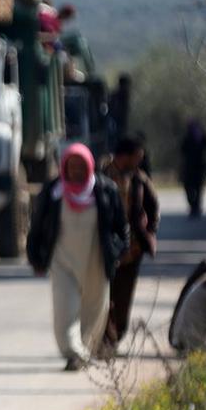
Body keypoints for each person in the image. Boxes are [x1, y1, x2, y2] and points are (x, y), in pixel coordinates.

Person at [27, 143, 129, 370]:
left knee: (93, 311)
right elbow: (37, 228)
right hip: (62, 262)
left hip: (96, 261)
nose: (76, 171)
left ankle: (83, 351)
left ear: (89, 166)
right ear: (64, 167)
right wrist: (35, 257)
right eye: (71, 166)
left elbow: (121, 229)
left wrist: (118, 251)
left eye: (80, 166)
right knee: (65, 310)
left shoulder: (106, 191)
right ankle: (73, 352)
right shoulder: (53, 193)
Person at [103, 136, 159, 347]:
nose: (139, 162)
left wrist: (150, 233)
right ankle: (103, 338)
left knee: (123, 299)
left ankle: (116, 337)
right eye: (137, 158)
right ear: (123, 156)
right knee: (103, 298)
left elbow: (154, 207)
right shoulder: (102, 176)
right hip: (106, 250)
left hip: (132, 251)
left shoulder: (140, 179)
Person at [179, 118, 206, 218]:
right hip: (195, 167)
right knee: (194, 188)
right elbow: (182, 153)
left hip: (196, 167)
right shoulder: (190, 138)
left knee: (194, 188)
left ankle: (195, 207)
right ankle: (195, 207)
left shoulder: (201, 137)